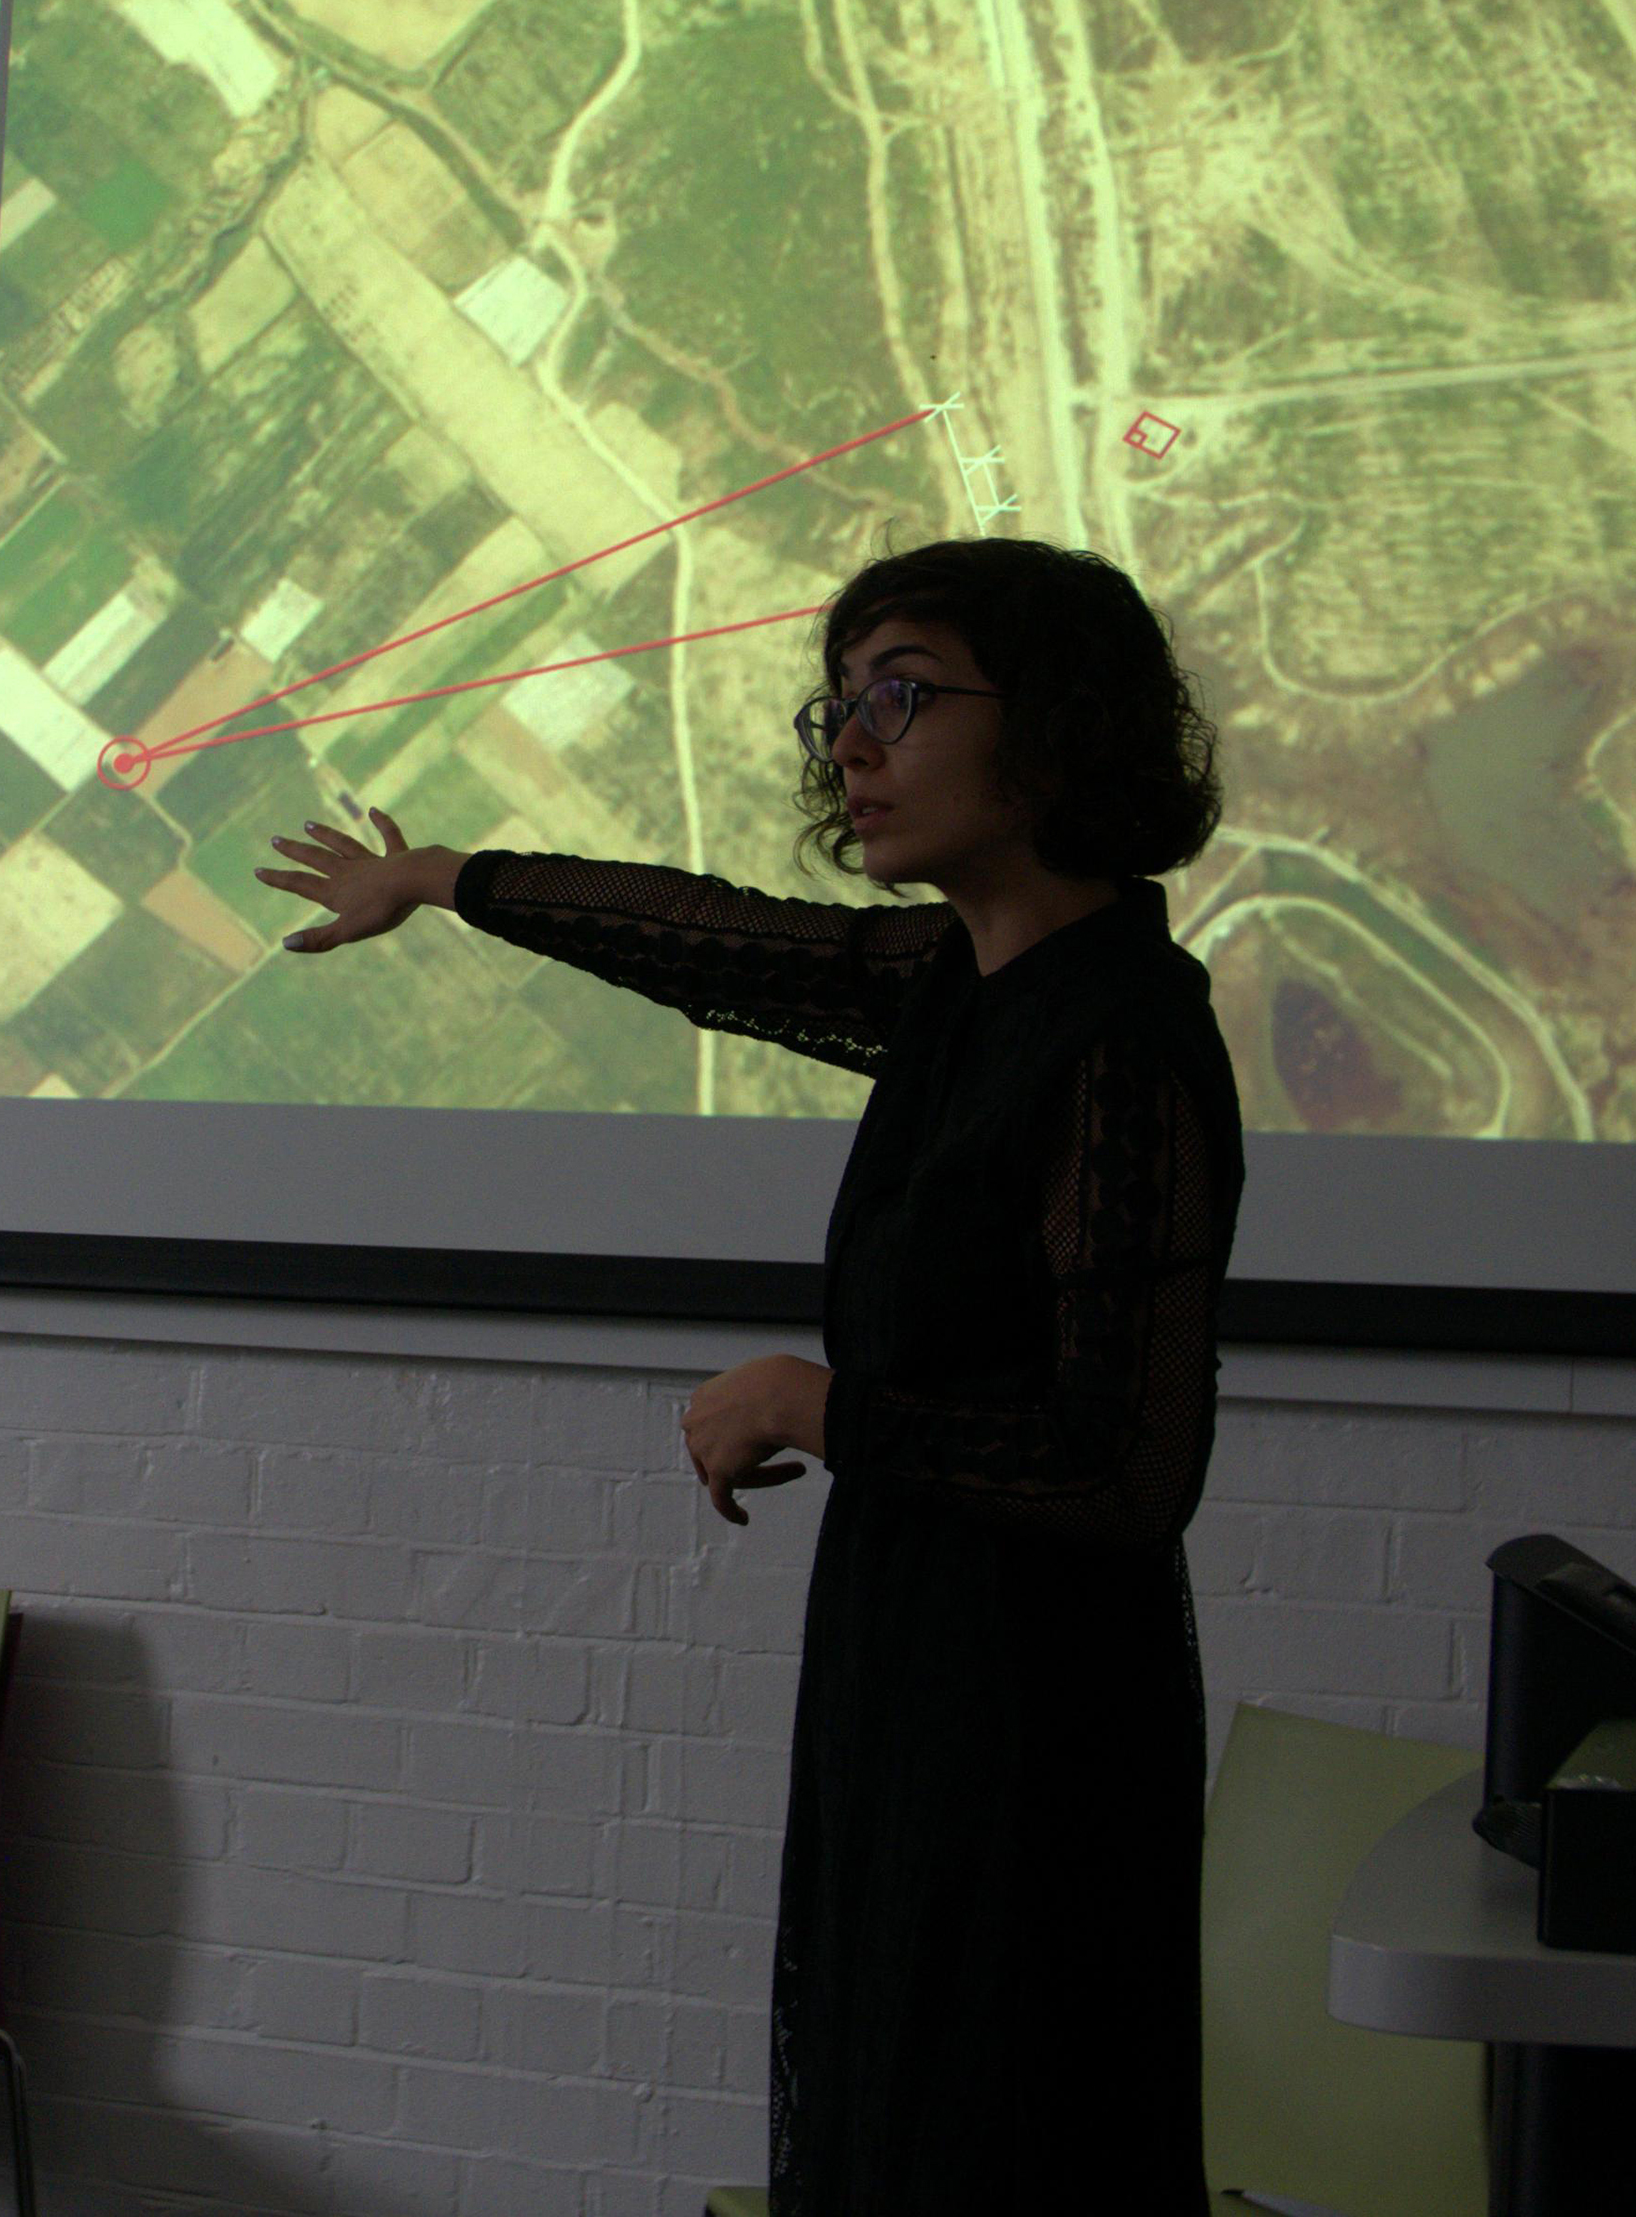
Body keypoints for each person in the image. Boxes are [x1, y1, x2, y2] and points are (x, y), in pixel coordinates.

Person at [256, 535, 1240, 2216]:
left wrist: (817, 1403)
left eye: (904, 697)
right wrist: (445, 882)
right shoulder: (957, 988)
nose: (849, 746)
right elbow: (717, 942)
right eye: (840, 705)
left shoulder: (1127, 1036)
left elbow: (1120, 1468)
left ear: (1061, 725)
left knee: (993, 2141)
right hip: (915, 1657)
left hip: (1038, 1721)